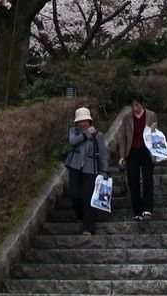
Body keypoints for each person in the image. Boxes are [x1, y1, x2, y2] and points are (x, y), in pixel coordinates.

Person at [64, 106, 109, 236]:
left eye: (85, 120)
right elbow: (72, 141)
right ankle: (80, 215)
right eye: (80, 121)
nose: (82, 123)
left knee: (88, 197)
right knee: (74, 195)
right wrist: (85, 133)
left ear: (89, 121)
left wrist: (104, 170)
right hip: (75, 166)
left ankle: (88, 228)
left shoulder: (98, 135)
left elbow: (103, 154)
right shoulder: (74, 131)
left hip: (91, 169)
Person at [116, 92, 158, 222]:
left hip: (147, 151)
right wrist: (122, 156)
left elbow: (156, 136)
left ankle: (147, 209)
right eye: (132, 105)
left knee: (147, 179)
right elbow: (122, 137)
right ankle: (137, 211)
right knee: (133, 181)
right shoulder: (127, 117)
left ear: (142, 103)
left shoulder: (151, 115)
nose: (135, 108)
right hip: (132, 152)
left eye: (137, 105)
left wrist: (153, 130)